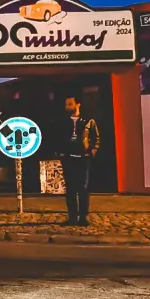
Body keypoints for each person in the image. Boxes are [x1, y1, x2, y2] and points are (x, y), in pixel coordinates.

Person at [59, 95, 100, 226]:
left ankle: (83, 217)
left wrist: (91, 152)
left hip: (83, 157)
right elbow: (58, 136)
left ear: (78, 104)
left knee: (83, 188)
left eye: (70, 104)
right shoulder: (63, 121)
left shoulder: (88, 121)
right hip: (68, 157)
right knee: (70, 188)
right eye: (66, 104)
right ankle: (72, 217)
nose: (67, 107)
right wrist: (61, 153)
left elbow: (96, 137)